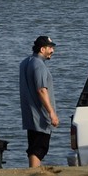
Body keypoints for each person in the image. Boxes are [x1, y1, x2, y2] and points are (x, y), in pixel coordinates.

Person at [18, 35, 59, 167]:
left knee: (34, 145)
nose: (53, 51)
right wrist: (51, 112)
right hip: (40, 115)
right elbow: (41, 90)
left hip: (29, 114)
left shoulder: (25, 62)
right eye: (50, 48)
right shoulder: (39, 65)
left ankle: (33, 170)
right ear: (42, 49)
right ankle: (34, 172)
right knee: (39, 148)